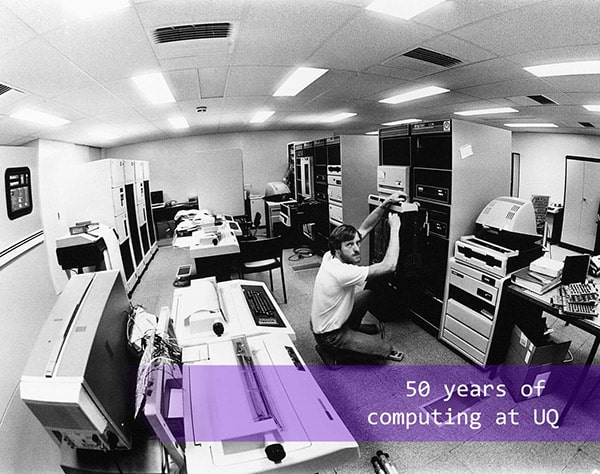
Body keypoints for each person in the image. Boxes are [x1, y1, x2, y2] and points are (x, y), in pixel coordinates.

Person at [311, 191, 407, 363]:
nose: (356, 248)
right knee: (385, 349)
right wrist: (395, 229)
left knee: (367, 295)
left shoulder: (330, 254)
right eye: (350, 245)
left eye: (357, 242)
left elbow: (365, 227)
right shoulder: (343, 272)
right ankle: (332, 353)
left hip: (325, 322)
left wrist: (385, 203)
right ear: (339, 249)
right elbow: (389, 265)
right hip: (330, 336)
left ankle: (350, 329)